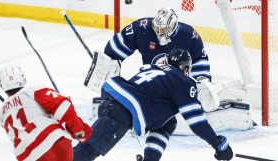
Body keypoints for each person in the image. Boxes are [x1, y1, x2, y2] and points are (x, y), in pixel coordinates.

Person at [84, 7, 253, 132]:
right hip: (151, 83)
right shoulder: (143, 28)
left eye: (164, 29)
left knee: (201, 94)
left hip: (178, 84)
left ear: (173, 25)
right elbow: (119, 43)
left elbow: (200, 58)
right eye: (157, 28)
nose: (159, 32)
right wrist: (109, 62)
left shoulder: (188, 35)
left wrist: (201, 80)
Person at [74, 48, 233, 161]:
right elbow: (196, 121)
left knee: (168, 122)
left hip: (114, 104)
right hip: (121, 112)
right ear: (185, 68)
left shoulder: (153, 67)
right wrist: (218, 143)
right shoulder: (183, 81)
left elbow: (160, 120)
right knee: (88, 151)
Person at [0, 65, 92, 161]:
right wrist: (79, 131)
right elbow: (64, 108)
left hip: (28, 157)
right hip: (54, 145)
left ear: (2, 86)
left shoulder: (1, 113)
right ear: (23, 79)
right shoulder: (32, 91)